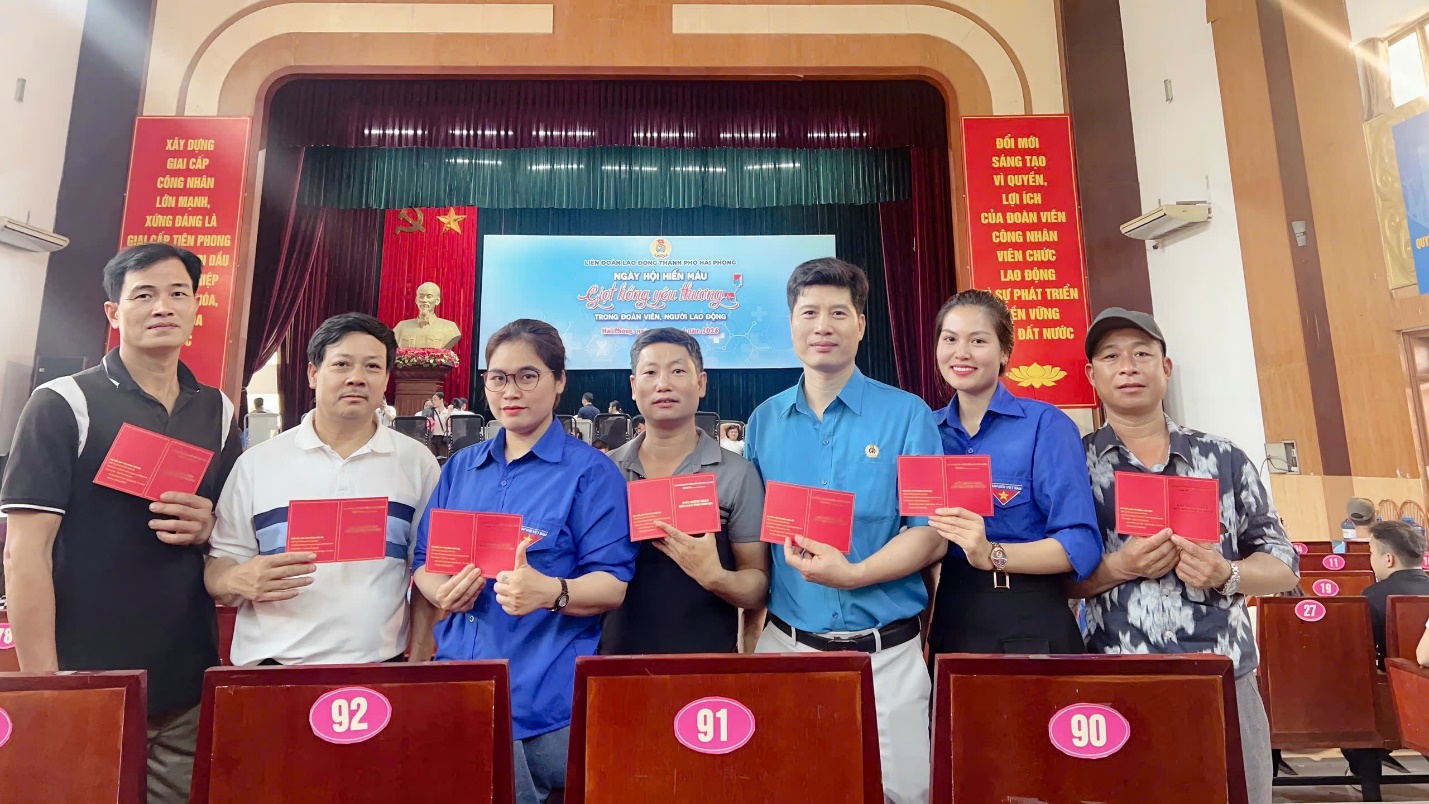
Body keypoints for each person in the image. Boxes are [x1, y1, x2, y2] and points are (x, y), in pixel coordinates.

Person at [0, 243, 242, 803]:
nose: (163, 307)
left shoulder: (218, 410)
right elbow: (25, 553)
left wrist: (209, 526)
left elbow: (229, 534)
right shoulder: (63, 403)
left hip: (186, 679)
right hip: (88, 674)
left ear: (195, 307)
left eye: (178, 293)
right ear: (114, 312)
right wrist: (46, 684)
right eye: (144, 295)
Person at [1071, 307, 1299, 804]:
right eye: (1111, 356)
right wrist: (1119, 567)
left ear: (1166, 368)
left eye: (1142, 354)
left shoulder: (1223, 458)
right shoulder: (1073, 464)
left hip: (1222, 677)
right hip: (1114, 678)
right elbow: (1056, 581)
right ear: (1091, 375)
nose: (1127, 367)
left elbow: (1283, 564)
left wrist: (1227, 572)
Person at [411, 319, 636, 804]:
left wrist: (551, 592)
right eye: (498, 377)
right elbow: (425, 560)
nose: (510, 391)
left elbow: (613, 584)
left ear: (559, 381)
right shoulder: (462, 467)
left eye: (527, 376)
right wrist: (440, 590)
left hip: (540, 705)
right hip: (460, 688)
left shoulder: (591, 473)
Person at [743, 258, 943, 804]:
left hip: (888, 658)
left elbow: (930, 533)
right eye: (808, 313)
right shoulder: (762, 422)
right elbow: (754, 541)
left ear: (861, 324)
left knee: (905, 794)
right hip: (787, 649)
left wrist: (854, 574)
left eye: (837, 312)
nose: (822, 326)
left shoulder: (909, 415)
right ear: (792, 324)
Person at [205, 314, 441, 666]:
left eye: (372, 366)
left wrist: (418, 662)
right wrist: (237, 578)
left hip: (379, 667)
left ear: (386, 379)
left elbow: (427, 570)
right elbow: (217, 568)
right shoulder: (257, 463)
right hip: (272, 669)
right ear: (313, 374)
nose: (356, 377)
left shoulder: (417, 463)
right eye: (342, 364)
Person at [925, 290, 1101, 655]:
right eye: (950, 339)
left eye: (978, 341)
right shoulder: (926, 432)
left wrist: (992, 554)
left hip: (1028, 616)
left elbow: (1081, 543)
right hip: (952, 620)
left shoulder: (1045, 425)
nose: (961, 353)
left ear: (1005, 352)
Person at [601, 328, 769, 655]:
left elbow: (758, 587)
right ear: (633, 387)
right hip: (613, 664)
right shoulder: (605, 472)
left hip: (706, 666)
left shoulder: (737, 475)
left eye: (678, 371)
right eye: (650, 372)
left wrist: (715, 577)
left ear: (701, 383)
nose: (663, 384)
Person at [1362, 520, 1429, 665]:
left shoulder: (1372, 596)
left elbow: (1361, 650)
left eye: (1371, 553)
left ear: (1388, 559)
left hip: (1390, 676)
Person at [424, 391, 450, 457]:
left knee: (443, 458)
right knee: (433, 457)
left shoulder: (447, 412)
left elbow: (449, 424)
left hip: (443, 438)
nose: (433, 401)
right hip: (432, 437)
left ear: (441, 400)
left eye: (435, 400)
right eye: (432, 400)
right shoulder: (431, 411)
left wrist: (449, 411)